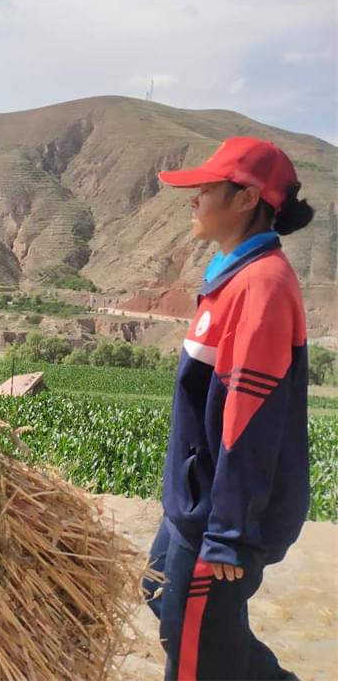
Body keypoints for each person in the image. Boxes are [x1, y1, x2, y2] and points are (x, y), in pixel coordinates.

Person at [144, 137, 315, 680]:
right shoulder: (233, 275)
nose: (192, 200)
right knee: (160, 591)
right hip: (198, 503)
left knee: (194, 652)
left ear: (245, 199)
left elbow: (251, 421)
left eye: (205, 189)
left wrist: (228, 537)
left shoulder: (261, 286)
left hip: (221, 516)